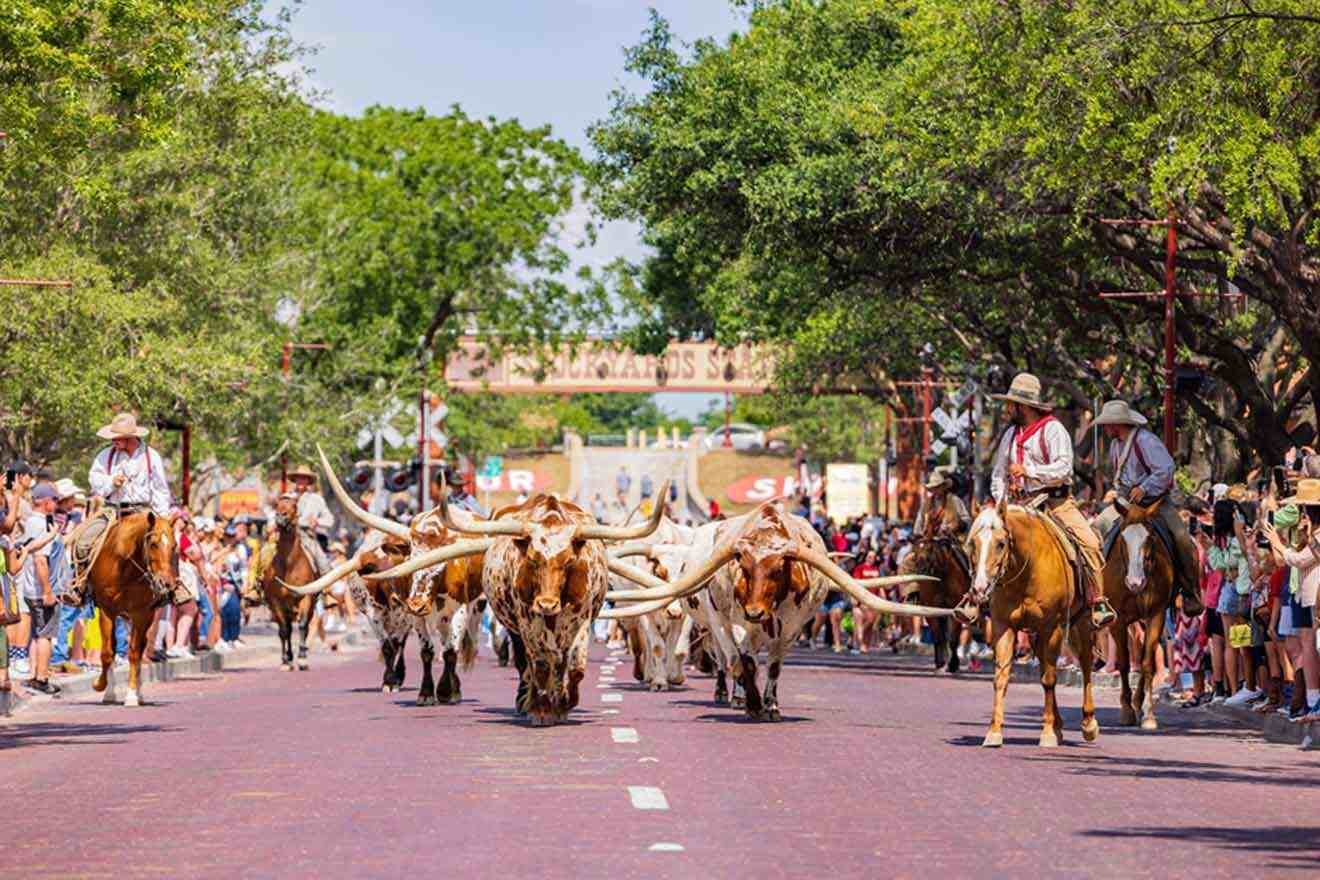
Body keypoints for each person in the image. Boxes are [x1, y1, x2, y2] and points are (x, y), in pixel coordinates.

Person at [986, 372, 1114, 628]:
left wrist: (1029, 472)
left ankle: (1097, 601)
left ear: (1023, 406)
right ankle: (977, 598)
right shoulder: (1010, 435)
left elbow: (1064, 469)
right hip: (1017, 507)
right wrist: (1001, 500)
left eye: (1011, 404)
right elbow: (998, 474)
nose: (1007, 408)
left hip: (1056, 503)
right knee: (985, 539)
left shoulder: (1053, 429)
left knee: (1089, 542)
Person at [1091, 400, 1204, 615]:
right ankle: (1097, 593)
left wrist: (1144, 488)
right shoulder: (1116, 445)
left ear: (1117, 424)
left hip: (1155, 504)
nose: (1105, 428)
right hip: (1127, 504)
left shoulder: (1145, 441)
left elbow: (1166, 469)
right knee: (1096, 530)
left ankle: (1190, 592)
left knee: (1182, 539)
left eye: (1107, 424)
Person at [74, 413, 172, 598]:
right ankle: (80, 585)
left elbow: (160, 488)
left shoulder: (151, 457)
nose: (113, 441)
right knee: (84, 541)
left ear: (130, 437)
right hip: (113, 510)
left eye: (117, 438)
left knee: (166, 544)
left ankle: (173, 586)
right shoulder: (106, 455)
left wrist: (162, 517)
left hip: (144, 511)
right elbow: (94, 479)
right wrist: (111, 482)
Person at [1260, 478, 1320, 722]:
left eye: (1304, 507)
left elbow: (1300, 560)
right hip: (1307, 596)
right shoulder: (1312, 532)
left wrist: (1278, 545)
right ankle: (1311, 702)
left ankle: (1313, 703)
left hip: (1315, 597)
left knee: (1312, 648)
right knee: (1308, 647)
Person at [19, 483, 61, 694]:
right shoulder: (41, 524)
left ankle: (35, 675)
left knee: (37, 634)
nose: (56, 504)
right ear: (46, 502)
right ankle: (42, 678)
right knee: (45, 635)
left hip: (30, 588)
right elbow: (40, 560)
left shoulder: (33, 522)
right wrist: (47, 591)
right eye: (55, 500)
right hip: (40, 589)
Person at [288, 465, 335, 576]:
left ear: (308, 481)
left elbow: (330, 520)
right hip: (287, 534)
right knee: (265, 553)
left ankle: (326, 590)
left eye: (304, 478)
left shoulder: (317, 499)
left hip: (306, 537)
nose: (301, 480)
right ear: (295, 479)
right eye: (298, 478)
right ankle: (255, 586)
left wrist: (317, 521)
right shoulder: (287, 497)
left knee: (323, 564)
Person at [913, 469, 971, 538]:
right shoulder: (926, 504)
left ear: (943, 486)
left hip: (950, 541)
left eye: (937, 487)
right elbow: (918, 525)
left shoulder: (955, 500)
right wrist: (920, 534)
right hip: (929, 541)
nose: (935, 490)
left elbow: (967, 521)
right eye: (933, 488)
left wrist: (958, 524)